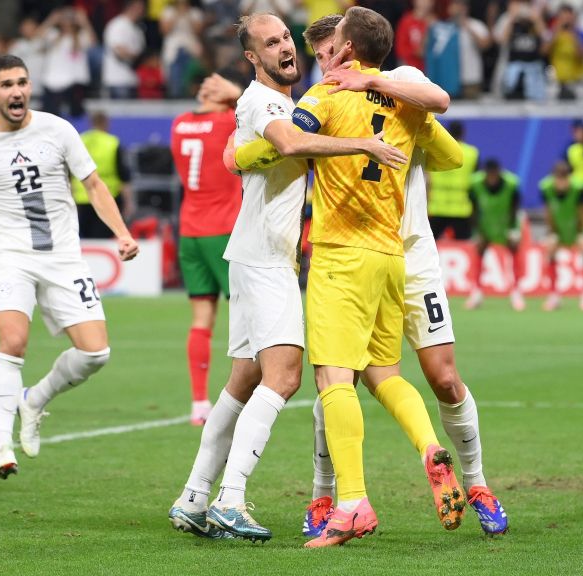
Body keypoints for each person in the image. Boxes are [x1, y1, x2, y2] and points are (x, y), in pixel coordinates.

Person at [167, 13, 403, 543]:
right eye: (270, 44)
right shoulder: (266, 102)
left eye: (286, 40)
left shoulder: (274, 101)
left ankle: (194, 495)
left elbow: (262, 147)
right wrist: (365, 144)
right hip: (266, 261)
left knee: (243, 380)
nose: (285, 49)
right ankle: (230, 500)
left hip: (257, 254)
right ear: (253, 58)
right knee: (285, 377)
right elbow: (293, 144)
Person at [289, 7, 466, 547]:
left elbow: (289, 142)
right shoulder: (406, 103)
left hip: (340, 255)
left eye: (333, 42)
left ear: (345, 47)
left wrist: (244, 141)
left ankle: (352, 503)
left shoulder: (326, 96)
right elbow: (450, 151)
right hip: (392, 258)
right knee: (383, 373)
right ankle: (428, 445)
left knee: (332, 380)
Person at [0, 55, 139, 480]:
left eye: (22, 83)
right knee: (12, 342)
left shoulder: (57, 129)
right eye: (6, 85)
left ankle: (34, 399)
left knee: (96, 353)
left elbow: (92, 184)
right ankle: (1, 445)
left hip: (64, 256)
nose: (16, 91)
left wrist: (121, 232)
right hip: (13, 257)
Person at [169, 81, 242, 426]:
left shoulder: (180, 123)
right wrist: (235, 92)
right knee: (245, 314)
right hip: (223, 232)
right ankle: (244, 396)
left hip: (190, 231)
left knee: (201, 320)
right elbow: (260, 109)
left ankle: (199, 403)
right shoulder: (228, 121)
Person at [465, 159, 524, 311]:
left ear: (499, 173)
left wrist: (514, 229)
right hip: (485, 226)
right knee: (479, 253)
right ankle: (477, 292)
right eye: (489, 175)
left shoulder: (511, 184)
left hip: (505, 226)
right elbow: (474, 209)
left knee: (514, 252)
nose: (492, 178)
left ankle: (516, 292)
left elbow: (515, 208)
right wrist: (476, 232)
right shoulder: (475, 184)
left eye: (494, 174)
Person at [539, 161, 583, 312]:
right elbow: (549, 211)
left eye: (564, 177)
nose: (561, 182)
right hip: (559, 225)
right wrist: (552, 232)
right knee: (550, 248)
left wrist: (581, 232)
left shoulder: (579, 188)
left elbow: (582, 211)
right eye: (558, 177)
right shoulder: (546, 187)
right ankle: (554, 295)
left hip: (579, 225)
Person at [70, 111, 134, 238]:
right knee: (104, 239)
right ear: (106, 123)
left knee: (87, 240)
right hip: (107, 198)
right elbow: (124, 177)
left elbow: (70, 174)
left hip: (82, 199)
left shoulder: (80, 140)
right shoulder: (113, 143)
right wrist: (128, 203)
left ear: (91, 123)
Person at [427, 120, 477, 240]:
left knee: (429, 244)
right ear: (463, 133)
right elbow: (476, 180)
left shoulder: (435, 150)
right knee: (464, 246)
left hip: (437, 207)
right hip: (461, 209)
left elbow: (427, 179)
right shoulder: (472, 153)